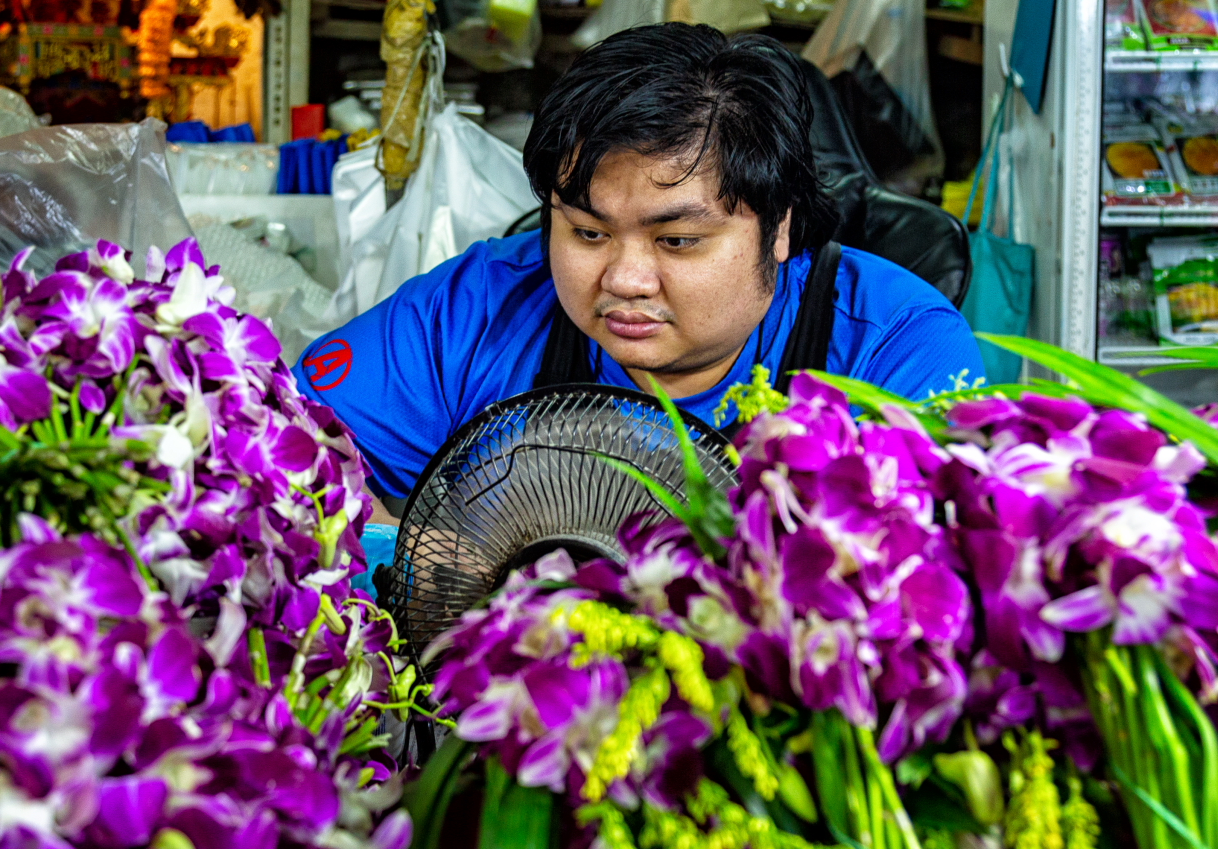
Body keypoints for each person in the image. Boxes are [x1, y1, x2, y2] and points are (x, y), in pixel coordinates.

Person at [293, 23, 986, 505]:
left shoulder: (895, 350)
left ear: (780, 227)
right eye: (587, 233)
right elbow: (287, 459)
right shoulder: (476, 311)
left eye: (676, 241)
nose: (623, 280)